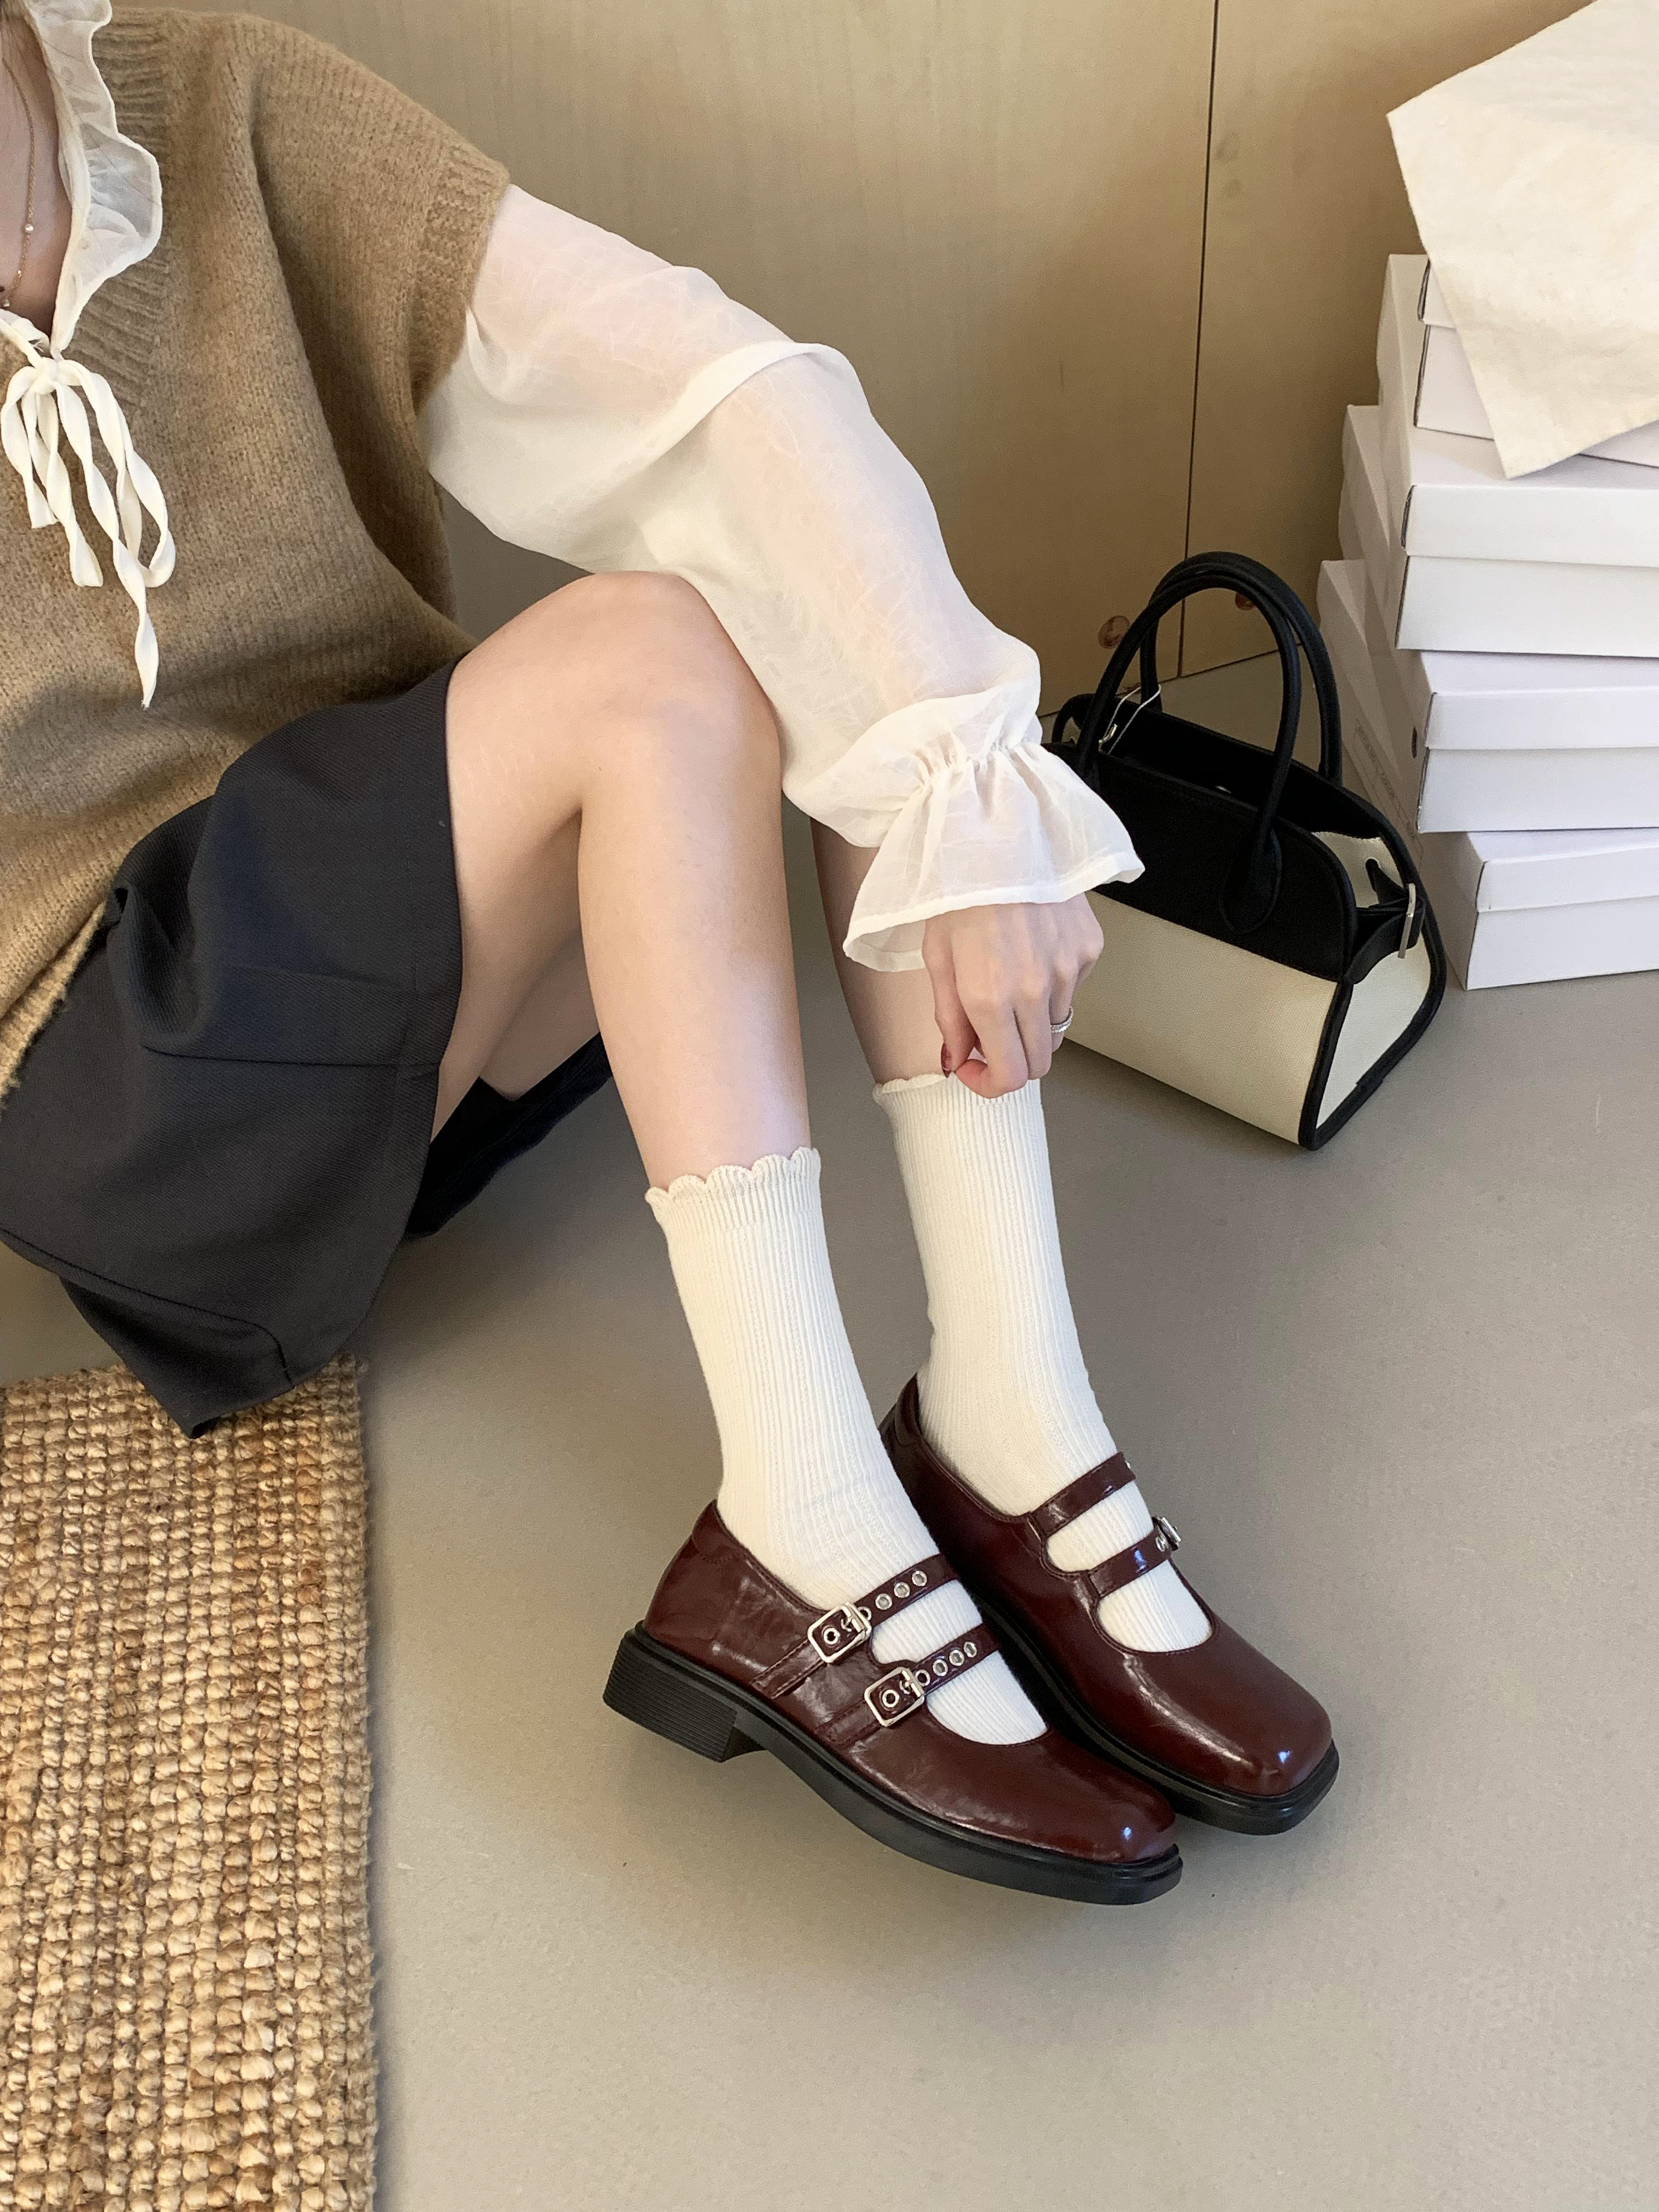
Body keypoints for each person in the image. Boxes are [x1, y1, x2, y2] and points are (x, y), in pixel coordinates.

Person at [0, 0, 1334, 1905]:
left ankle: (1011, 1410)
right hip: (119, 1098)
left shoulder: (206, 94)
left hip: (394, 1013)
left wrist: (961, 761)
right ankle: (800, 1512)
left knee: (811, 574)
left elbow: (704, 385)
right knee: (656, 651)